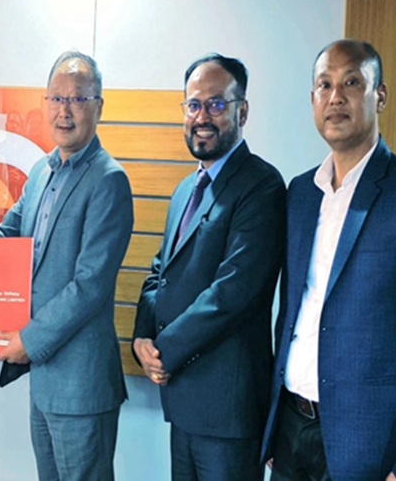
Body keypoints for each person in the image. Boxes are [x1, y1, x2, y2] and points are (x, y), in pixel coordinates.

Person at [0, 51, 132, 480]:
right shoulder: (42, 172)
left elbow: (90, 284)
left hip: (81, 386)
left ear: (99, 107)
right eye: (57, 98)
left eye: (78, 99)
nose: (65, 111)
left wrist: (29, 340)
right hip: (45, 383)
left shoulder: (109, 181)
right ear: (45, 104)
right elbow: (6, 236)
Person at [261, 40, 396, 481]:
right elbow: (292, 313)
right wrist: (273, 430)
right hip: (290, 429)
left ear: (379, 95)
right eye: (324, 85)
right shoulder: (300, 194)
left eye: (351, 83)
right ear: (312, 100)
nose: (336, 97)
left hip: (368, 445)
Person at [132, 54, 286, 480]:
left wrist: (163, 351)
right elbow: (160, 272)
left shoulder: (262, 185)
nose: (202, 117)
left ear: (242, 111)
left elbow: (232, 292)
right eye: (194, 105)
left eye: (216, 104)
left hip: (228, 412)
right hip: (183, 402)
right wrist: (142, 336)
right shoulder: (186, 189)